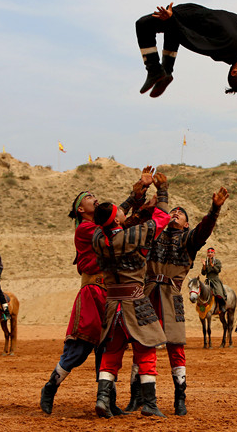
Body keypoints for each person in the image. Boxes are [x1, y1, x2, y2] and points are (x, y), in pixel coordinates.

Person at [40, 168, 153, 416]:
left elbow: (115, 217)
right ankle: (50, 387)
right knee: (79, 349)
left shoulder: (101, 224)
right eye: (88, 196)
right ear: (81, 209)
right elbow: (116, 224)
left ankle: (107, 400)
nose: (94, 197)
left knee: (109, 346)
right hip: (92, 292)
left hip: (110, 293)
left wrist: (140, 190)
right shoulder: (85, 229)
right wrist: (143, 209)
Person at [138, 188, 228, 416]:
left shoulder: (189, 239)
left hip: (172, 294)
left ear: (187, 224)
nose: (175, 213)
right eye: (173, 211)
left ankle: (180, 398)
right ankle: (139, 397)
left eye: (181, 213)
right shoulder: (154, 234)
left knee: (175, 346)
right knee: (143, 344)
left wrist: (215, 209)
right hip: (148, 293)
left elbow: (204, 229)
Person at [91, 172, 171, 419]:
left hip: (112, 303)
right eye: (120, 211)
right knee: (146, 352)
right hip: (136, 302)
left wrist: (135, 196)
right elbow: (162, 217)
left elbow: (111, 219)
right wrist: (163, 191)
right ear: (117, 218)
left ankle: (103, 398)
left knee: (112, 353)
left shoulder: (97, 239)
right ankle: (149, 403)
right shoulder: (134, 236)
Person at [135, 1, 237, 98]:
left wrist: (171, 20)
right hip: (195, 10)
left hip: (188, 19)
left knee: (143, 24)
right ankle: (166, 72)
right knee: (174, 31)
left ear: (235, 72)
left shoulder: (224, 50)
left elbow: (192, 40)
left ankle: (154, 70)